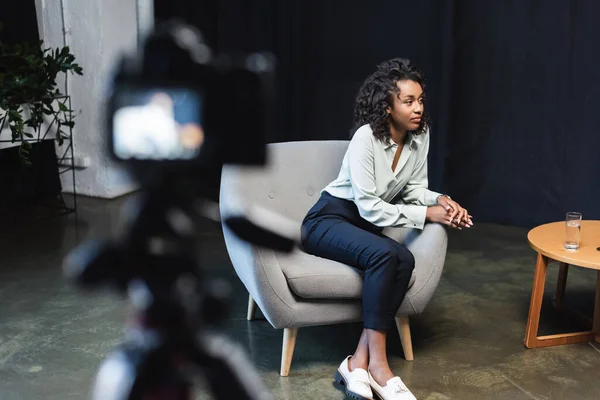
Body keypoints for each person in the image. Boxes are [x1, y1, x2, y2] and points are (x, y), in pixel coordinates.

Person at [300, 58, 473, 400]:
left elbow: (413, 189)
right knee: (385, 255)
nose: (418, 108)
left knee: (403, 259)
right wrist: (428, 215)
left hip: (362, 226)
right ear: (387, 105)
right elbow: (369, 208)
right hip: (328, 220)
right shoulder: (366, 138)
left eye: (420, 99)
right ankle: (379, 366)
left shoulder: (419, 135)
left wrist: (442, 200)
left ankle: (356, 363)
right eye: (408, 101)